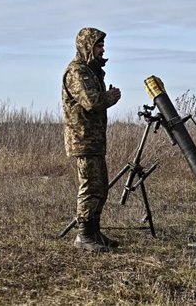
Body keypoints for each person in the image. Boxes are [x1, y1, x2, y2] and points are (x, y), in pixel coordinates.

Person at [62, 27, 121, 252]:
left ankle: (94, 232)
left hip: (94, 140)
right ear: (86, 46)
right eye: (98, 45)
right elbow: (91, 101)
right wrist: (110, 97)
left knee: (100, 187)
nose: (102, 49)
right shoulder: (77, 71)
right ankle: (84, 235)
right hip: (83, 140)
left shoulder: (91, 71)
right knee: (89, 187)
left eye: (102, 45)